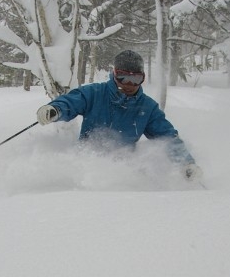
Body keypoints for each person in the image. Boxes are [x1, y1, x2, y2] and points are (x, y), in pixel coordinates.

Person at [36, 50, 202, 181]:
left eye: (136, 78)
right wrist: (55, 110)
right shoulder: (95, 93)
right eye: (123, 77)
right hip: (85, 165)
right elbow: (71, 102)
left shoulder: (147, 107)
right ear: (114, 74)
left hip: (123, 171)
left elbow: (168, 138)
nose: (129, 84)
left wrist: (186, 163)